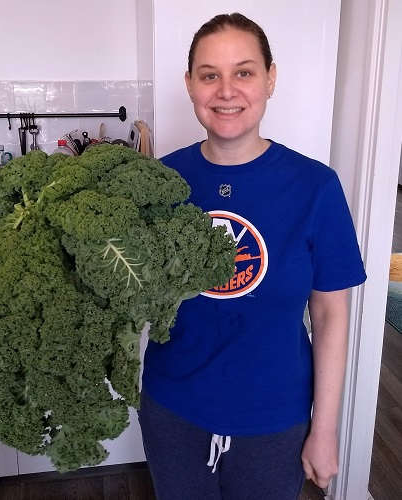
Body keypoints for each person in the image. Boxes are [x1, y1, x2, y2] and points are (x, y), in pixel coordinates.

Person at [138, 12, 367, 500]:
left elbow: (329, 312)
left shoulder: (316, 188)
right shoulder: (160, 185)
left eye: (243, 72)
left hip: (274, 422)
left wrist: (324, 430)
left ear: (270, 79)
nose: (226, 90)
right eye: (209, 75)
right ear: (190, 85)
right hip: (172, 411)